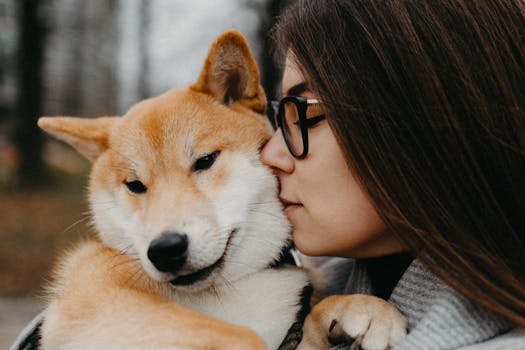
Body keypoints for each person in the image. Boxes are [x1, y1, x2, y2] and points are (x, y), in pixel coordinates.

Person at [261, 0, 525, 348]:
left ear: (422, 118)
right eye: (280, 117)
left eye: (307, 115)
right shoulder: (300, 313)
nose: (270, 154)